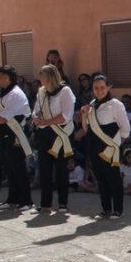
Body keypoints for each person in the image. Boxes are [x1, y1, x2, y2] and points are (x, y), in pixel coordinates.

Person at [80, 75, 131, 219]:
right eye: (96, 88)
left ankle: (118, 210)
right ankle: (106, 209)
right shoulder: (92, 105)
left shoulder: (116, 104)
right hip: (94, 146)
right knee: (100, 179)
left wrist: (115, 146)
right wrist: (84, 115)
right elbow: (86, 129)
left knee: (113, 178)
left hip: (110, 148)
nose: (99, 90)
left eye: (102, 87)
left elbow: (125, 129)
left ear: (108, 87)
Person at [33, 64, 76, 213]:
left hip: (59, 134)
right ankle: (45, 204)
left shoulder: (65, 91)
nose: (40, 79)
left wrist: (45, 122)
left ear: (50, 77)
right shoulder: (41, 92)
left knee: (61, 169)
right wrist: (35, 117)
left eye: (42, 76)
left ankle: (63, 203)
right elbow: (36, 110)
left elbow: (66, 116)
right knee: (44, 169)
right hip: (44, 134)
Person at [0, 65, 32, 211]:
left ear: (7, 78)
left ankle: (26, 200)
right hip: (2, 135)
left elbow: (4, 117)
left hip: (14, 135)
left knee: (18, 168)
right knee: (9, 169)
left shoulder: (15, 93)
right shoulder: (4, 93)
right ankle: (12, 199)